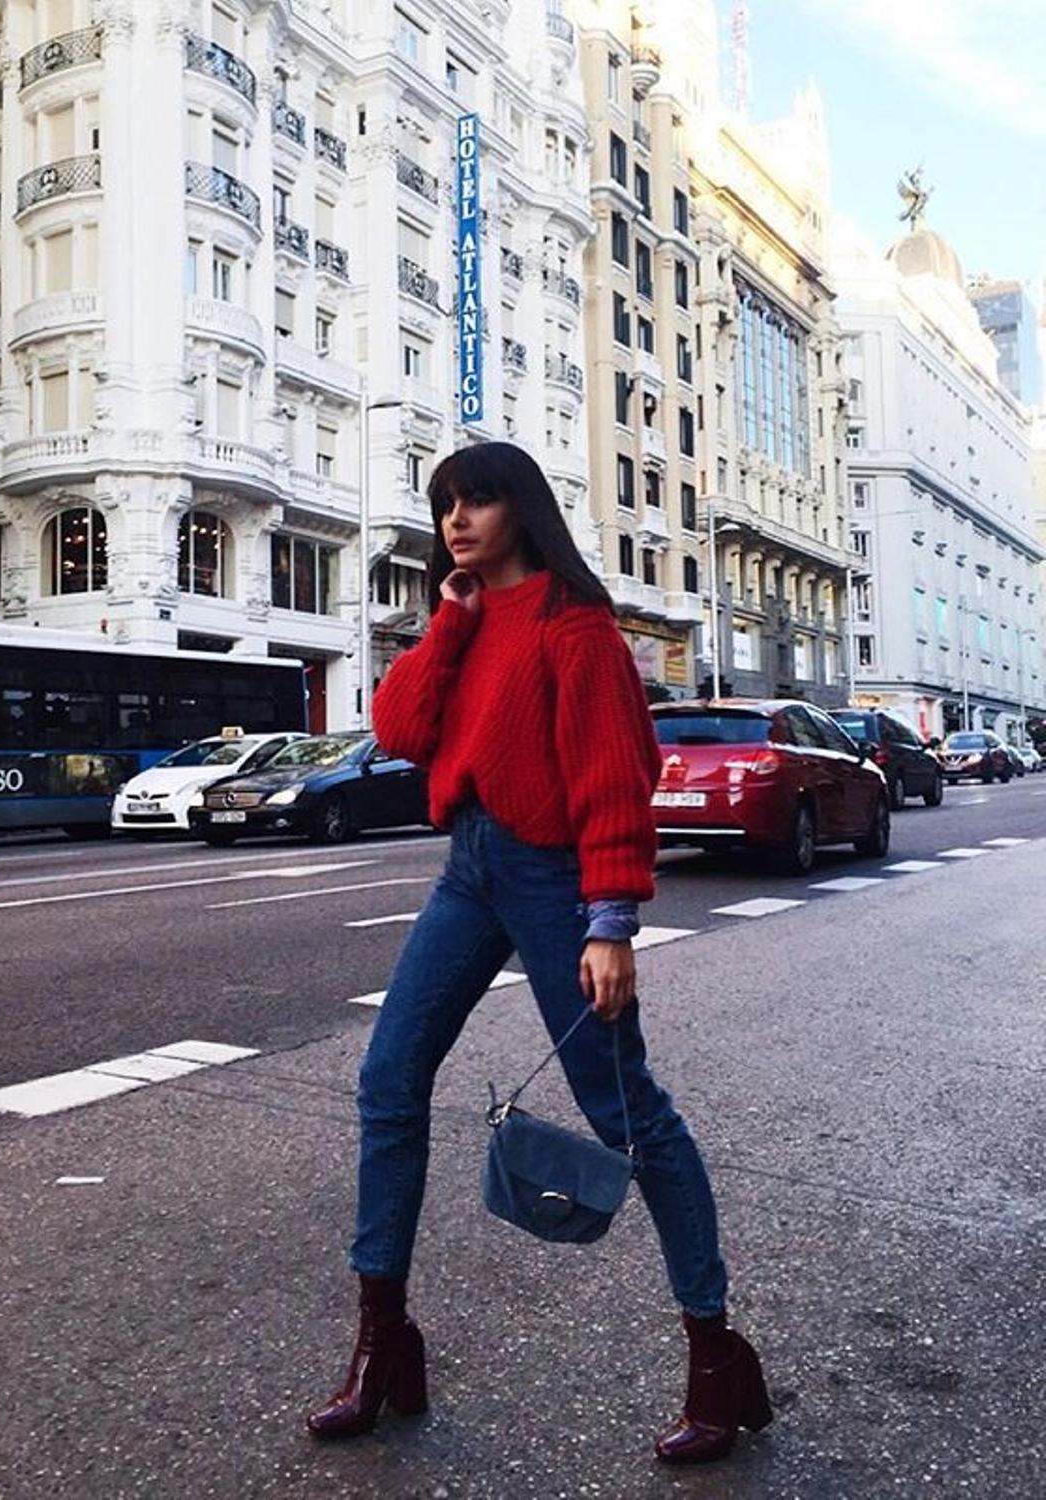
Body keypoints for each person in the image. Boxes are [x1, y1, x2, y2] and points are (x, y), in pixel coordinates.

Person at [306, 442, 771, 1464]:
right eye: (445, 506)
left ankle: (716, 1360)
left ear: (522, 506)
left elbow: (616, 773)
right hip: (470, 868)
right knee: (389, 1079)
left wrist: (611, 921)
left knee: (625, 1113)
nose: (458, 519)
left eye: (478, 499)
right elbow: (398, 727)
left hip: (557, 879)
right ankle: (383, 1346)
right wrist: (451, 620)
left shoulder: (578, 626)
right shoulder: (468, 620)